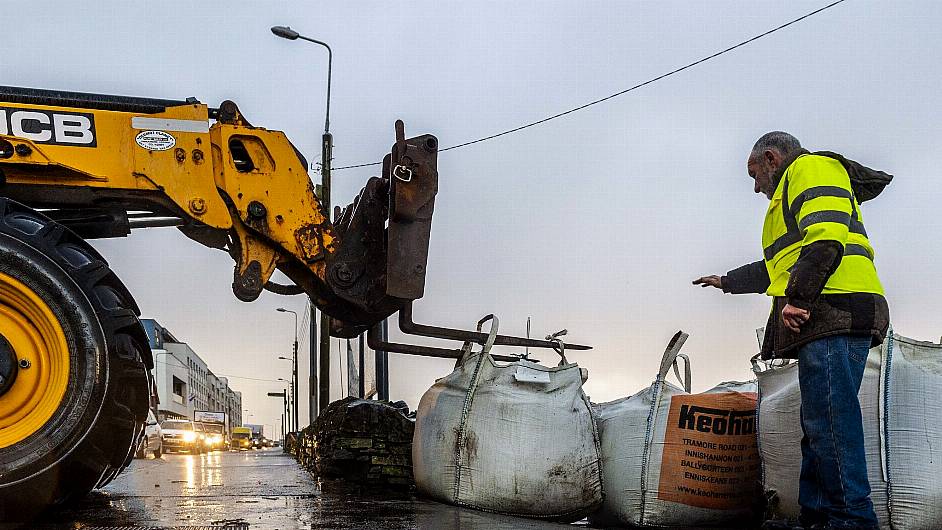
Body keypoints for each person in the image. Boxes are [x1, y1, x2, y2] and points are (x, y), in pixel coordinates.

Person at [694, 132, 889, 530]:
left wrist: (799, 298)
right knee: (818, 422)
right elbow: (779, 265)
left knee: (831, 420)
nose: (755, 186)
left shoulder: (810, 168)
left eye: (754, 174)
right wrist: (728, 280)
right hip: (827, 313)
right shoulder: (790, 191)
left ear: (771, 158)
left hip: (835, 308)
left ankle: (852, 520)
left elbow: (827, 237)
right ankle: (817, 517)